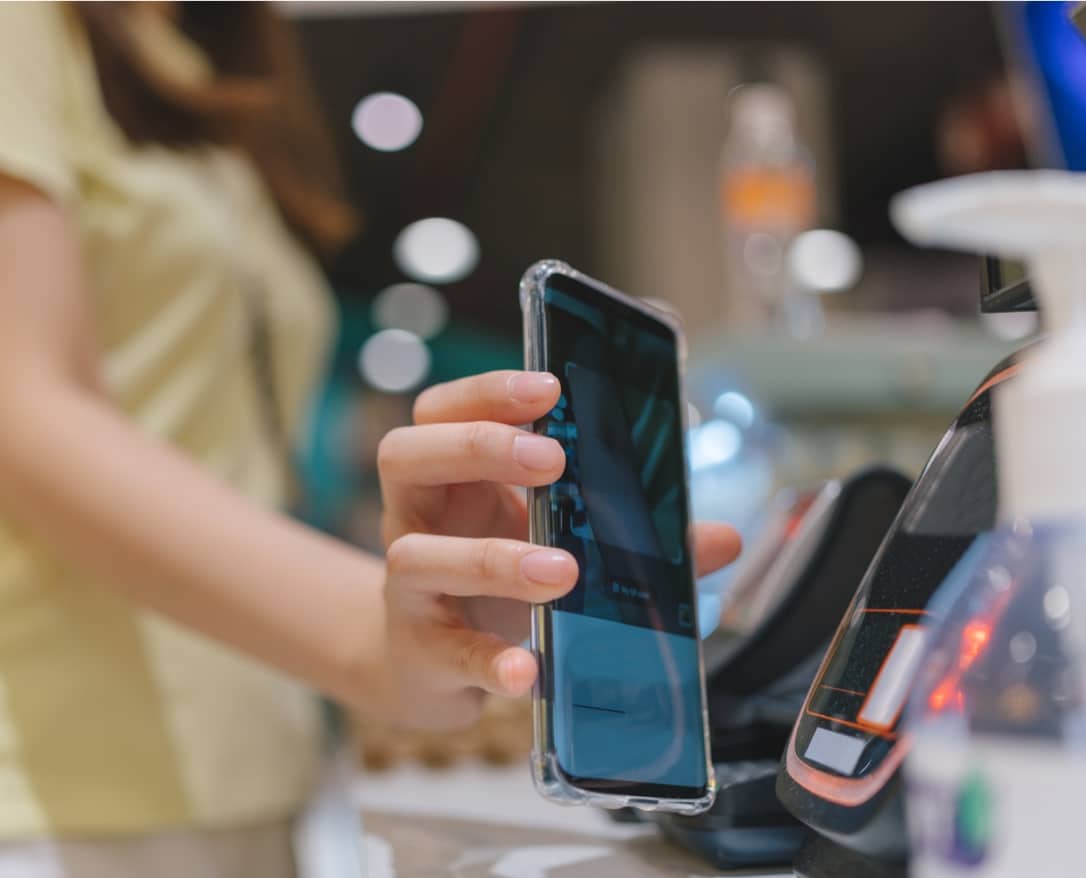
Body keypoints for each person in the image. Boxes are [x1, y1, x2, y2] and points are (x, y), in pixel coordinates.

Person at [0, 3, 741, 875]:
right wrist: (374, 633)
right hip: (74, 773)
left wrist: (428, 629)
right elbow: (25, 412)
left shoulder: (193, 64)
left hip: (248, 757)